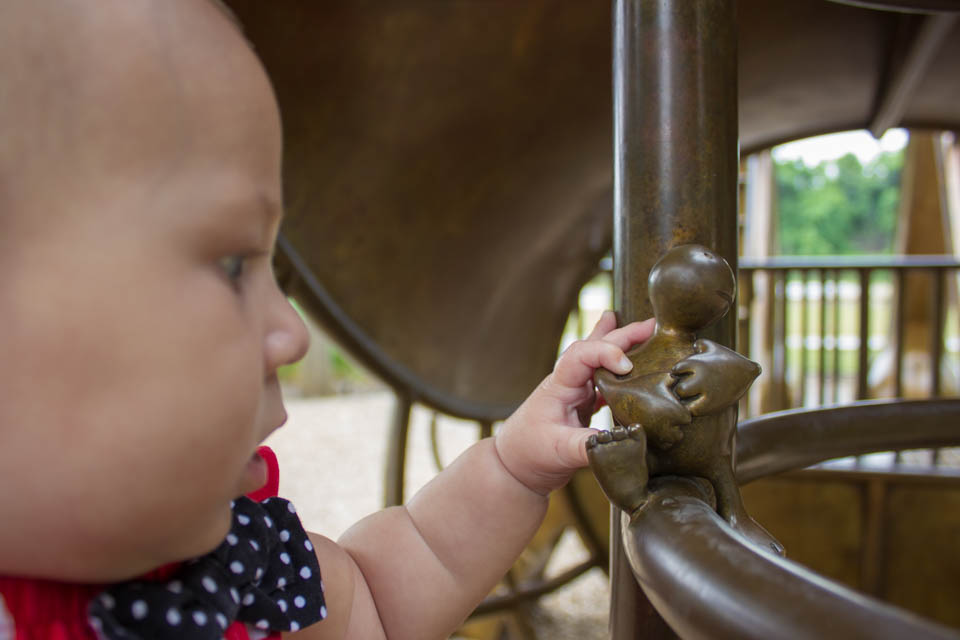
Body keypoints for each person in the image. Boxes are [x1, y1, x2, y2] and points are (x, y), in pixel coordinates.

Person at [0, 1, 655, 638]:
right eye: (233, 265)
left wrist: (513, 467)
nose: (292, 334)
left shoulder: (239, 571)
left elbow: (386, 592)